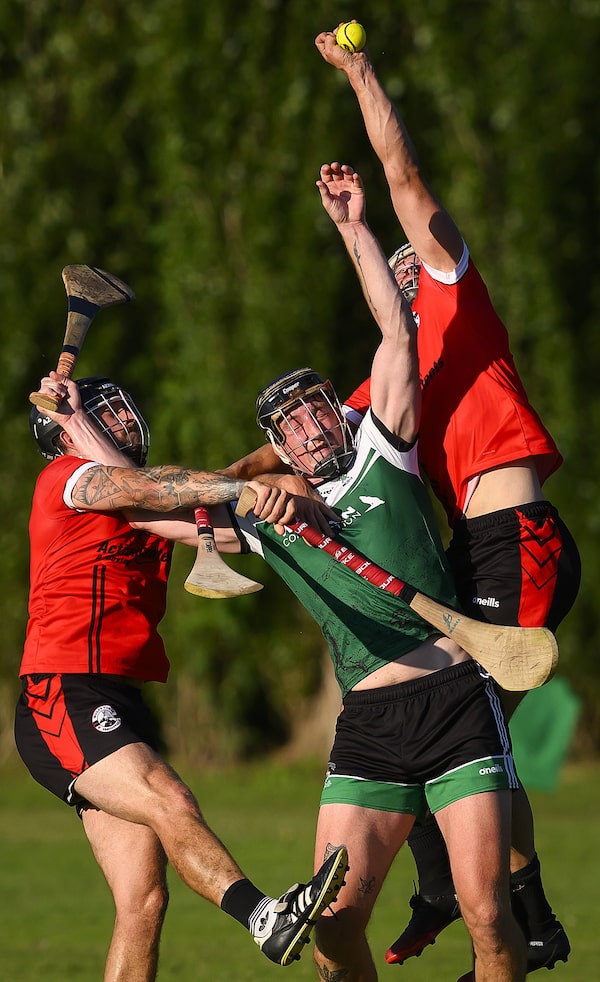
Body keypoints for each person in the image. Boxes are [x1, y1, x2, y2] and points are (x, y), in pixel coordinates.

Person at [211, 162, 527, 982]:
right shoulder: (272, 512)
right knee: (335, 927)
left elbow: (397, 333)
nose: (312, 424)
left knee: (490, 915)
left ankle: (530, 926)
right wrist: (81, 438)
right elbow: (153, 507)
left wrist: (353, 227)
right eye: (291, 423)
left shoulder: (386, 445)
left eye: (318, 405)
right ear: (278, 448)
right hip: (369, 727)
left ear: (337, 408)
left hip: (455, 695)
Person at [314, 26, 581, 977]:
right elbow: (302, 438)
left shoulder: (456, 296)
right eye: (387, 273)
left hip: (517, 537)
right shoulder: (396, 380)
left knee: (472, 723)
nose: (400, 274)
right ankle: (515, 913)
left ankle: (497, 911)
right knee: (464, 728)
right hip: (470, 555)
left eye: (407, 266)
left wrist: (359, 73)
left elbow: (403, 173)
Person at [16, 372, 348, 982]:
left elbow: (209, 519)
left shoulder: (138, 509)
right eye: (103, 416)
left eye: (120, 410)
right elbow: (157, 485)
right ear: (62, 432)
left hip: (118, 695)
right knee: (171, 800)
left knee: (142, 902)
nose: (122, 422)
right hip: (63, 691)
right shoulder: (68, 480)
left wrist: (278, 487)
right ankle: (265, 918)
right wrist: (246, 488)